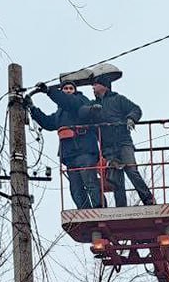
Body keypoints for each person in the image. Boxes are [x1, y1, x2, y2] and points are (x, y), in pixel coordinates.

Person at [25, 82, 102, 209]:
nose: (68, 90)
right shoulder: (60, 113)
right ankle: (84, 210)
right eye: (65, 88)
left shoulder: (81, 102)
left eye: (71, 88)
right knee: (76, 188)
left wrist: (49, 91)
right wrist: (32, 108)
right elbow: (48, 122)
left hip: (85, 151)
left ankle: (99, 208)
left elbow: (69, 102)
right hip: (70, 155)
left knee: (90, 182)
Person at [85, 74, 154, 207]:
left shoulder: (118, 99)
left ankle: (148, 199)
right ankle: (121, 206)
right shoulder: (93, 105)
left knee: (131, 170)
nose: (93, 87)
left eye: (95, 84)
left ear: (104, 86)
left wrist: (131, 119)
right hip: (107, 146)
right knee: (116, 178)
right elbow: (85, 116)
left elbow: (136, 109)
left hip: (123, 142)